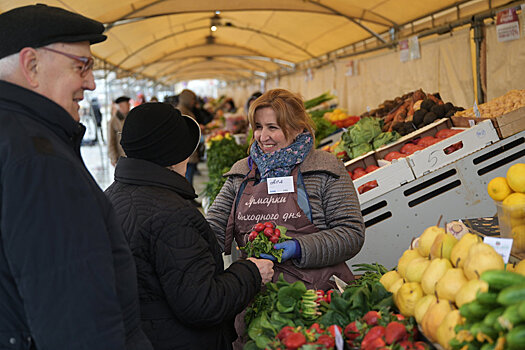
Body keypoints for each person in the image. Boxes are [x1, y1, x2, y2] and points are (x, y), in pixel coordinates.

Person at [0, 4, 152, 349]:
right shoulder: (38, 158)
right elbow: (76, 319)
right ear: (32, 65)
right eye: (81, 66)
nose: (92, 82)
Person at [105, 103, 274, 350]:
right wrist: (251, 272)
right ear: (177, 153)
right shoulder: (172, 213)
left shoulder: (112, 195)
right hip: (175, 339)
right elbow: (203, 303)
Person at [207, 88, 365, 291]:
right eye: (258, 127)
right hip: (258, 291)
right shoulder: (241, 172)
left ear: (298, 128)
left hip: (317, 293)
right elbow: (214, 228)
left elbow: (351, 233)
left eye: (273, 127)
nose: (263, 137)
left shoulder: (325, 168)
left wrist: (299, 248)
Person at [176, 89, 200, 186]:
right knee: (187, 181)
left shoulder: (184, 110)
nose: (193, 102)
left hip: (188, 152)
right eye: (192, 100)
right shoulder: (182, 112)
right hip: (186, 153)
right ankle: (188, 200)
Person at [108, 95, 130, 166]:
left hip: (132, 156)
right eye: (127, 105)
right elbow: (111, 140)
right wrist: (113, 158)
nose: (129, 106)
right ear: (121, 106)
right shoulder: (113, 121)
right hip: (121, 157)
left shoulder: (131, 117)